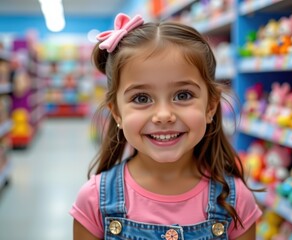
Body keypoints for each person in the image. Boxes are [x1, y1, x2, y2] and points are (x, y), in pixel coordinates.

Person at [70, 13, 262, 240]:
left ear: (210, 106)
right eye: (141, 98)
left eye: (183, 95)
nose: (163, 115)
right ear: (117, 112)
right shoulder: (94, 200)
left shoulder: (236, 200)